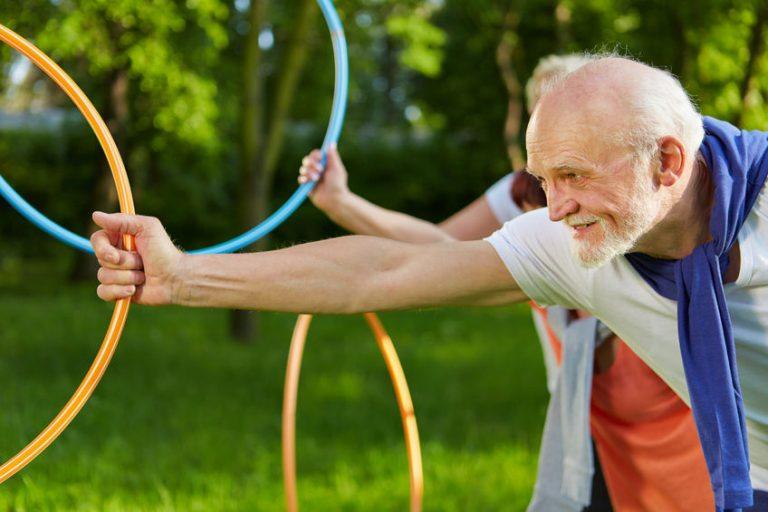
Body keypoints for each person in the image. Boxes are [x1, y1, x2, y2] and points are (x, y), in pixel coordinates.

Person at [91, 56, 768, 510]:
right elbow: (385, 269)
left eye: (574, 176)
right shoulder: (571, 242)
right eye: (544, 181)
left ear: (666, 163)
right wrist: (185, 275)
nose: (555, 207)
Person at [297, 53, 712, 511]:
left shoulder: (627, 184)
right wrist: (340, 202)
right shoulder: (524, 192)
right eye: (541, 108)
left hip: (669, 397)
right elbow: (440, 247)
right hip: (584, 404)